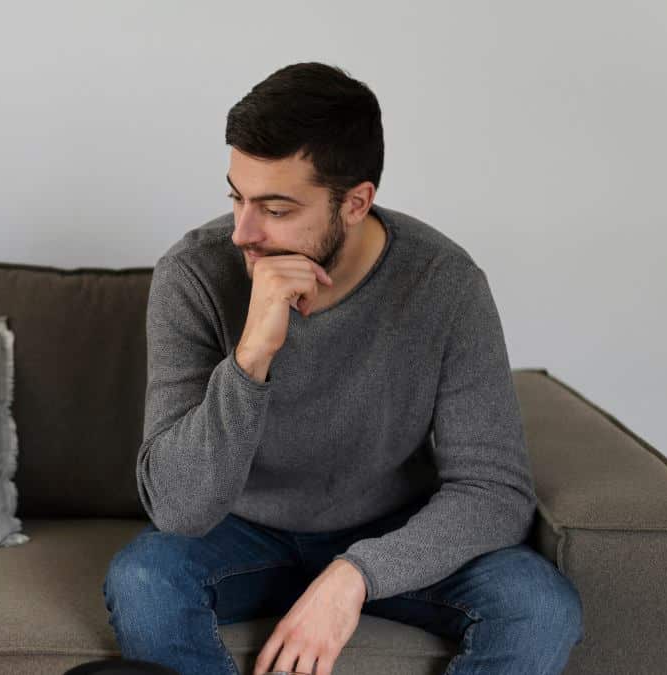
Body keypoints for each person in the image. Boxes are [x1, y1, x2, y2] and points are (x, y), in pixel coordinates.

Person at [103, 63, 584, 675]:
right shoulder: (193, 275)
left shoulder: (445, 284)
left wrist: (357, 574)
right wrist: (251, 358)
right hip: (240, 532)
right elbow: (177, 510)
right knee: (143, 580)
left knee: (539, 606)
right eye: (236, 197)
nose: (242, 233)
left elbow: (495, 491)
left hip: (391, 528)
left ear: (355, 202)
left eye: (275, 209)